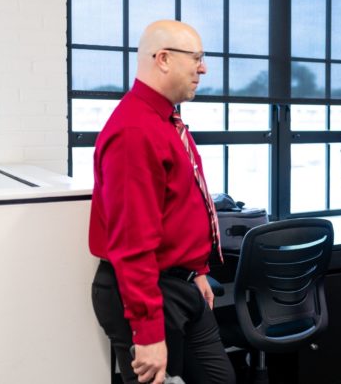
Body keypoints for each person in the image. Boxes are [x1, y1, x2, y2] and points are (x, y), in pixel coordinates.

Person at [89, 20, 235, 384]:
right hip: (149, 291)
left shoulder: (165, 119)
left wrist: (197, 269)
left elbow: (182, 204)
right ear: (164, 59)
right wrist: (148, 333)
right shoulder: (134, 131)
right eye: (197, 58)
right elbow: (132, 243)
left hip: (181, 283)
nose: (203, 68)